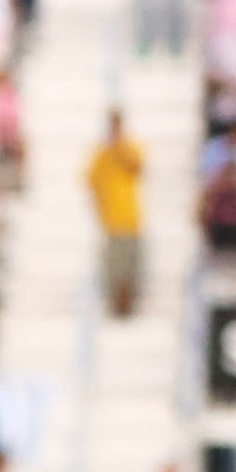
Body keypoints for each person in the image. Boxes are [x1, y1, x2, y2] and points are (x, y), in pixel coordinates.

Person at [91, 109, 150, 321]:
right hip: (113, 220)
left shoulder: (130, 147)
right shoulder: (101, 152)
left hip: (132, 217)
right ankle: (116, 306)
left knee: (131, 267)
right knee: (115, 268)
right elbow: (93, 182)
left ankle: (130, 305)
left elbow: (138, 167)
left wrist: (120, 146)